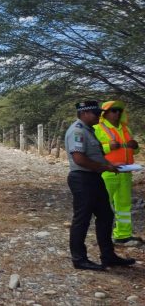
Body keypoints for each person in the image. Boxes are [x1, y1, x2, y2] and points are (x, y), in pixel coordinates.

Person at [64, 101, 136, 270]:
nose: (99, 116)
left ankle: (108, 255)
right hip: (82, 179)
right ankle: (79, 259)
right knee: (82, 220)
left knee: (106, 216)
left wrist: (111, 164)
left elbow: (96, 154)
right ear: (85, 113)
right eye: (96, 113)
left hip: (94, 178)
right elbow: (79, 159)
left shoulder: (90, 131)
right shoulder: (78, 131)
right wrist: (105, 167)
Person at [93, 100, 142, 245]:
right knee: (103, 205)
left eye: (119, 110)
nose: (117, 113)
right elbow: (92, 151)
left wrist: (136, 147)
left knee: (124, 205)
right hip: (107, 172)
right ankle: (103, 237)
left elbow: (135, 151)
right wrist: (109, 147)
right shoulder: (97, 128)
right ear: (105, 113)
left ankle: (123, 235)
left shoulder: (126, 129)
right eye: (113, 110)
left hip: (126, 172)